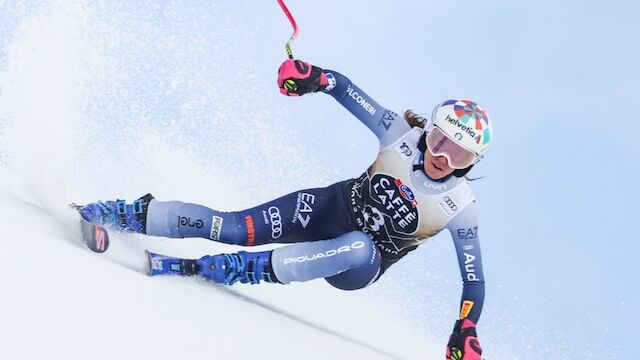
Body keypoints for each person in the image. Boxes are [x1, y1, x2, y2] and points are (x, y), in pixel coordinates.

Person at [79, 59, 493, 360]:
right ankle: (115, 212)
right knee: (232, 226)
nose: (442, 157)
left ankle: (222, 268)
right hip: (325, 208)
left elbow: (472, 282)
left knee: (358, 245)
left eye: (458, 154)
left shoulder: (460, 208)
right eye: (439, 140)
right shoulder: (400, 134)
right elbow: (344, 87)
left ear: (471, 163)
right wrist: (313, 78)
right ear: (429, 131)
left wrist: (465, 328)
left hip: (359, 264)